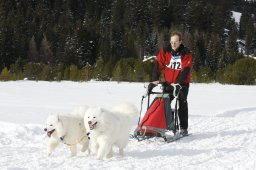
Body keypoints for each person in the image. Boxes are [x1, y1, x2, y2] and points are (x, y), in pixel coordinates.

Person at [148, 31, 193, 136]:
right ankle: (163, 124)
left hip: (182, 84)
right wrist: (154, 80)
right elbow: (158, 65)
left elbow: (185, 71)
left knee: (182, 102)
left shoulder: (186, 53)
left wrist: (178, 84)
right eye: (172, 42)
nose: (173, 44)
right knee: (163, 102)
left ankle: (183, 128)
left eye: (175, 42)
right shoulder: (165, 51)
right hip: (168, 83)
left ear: (180, 42)